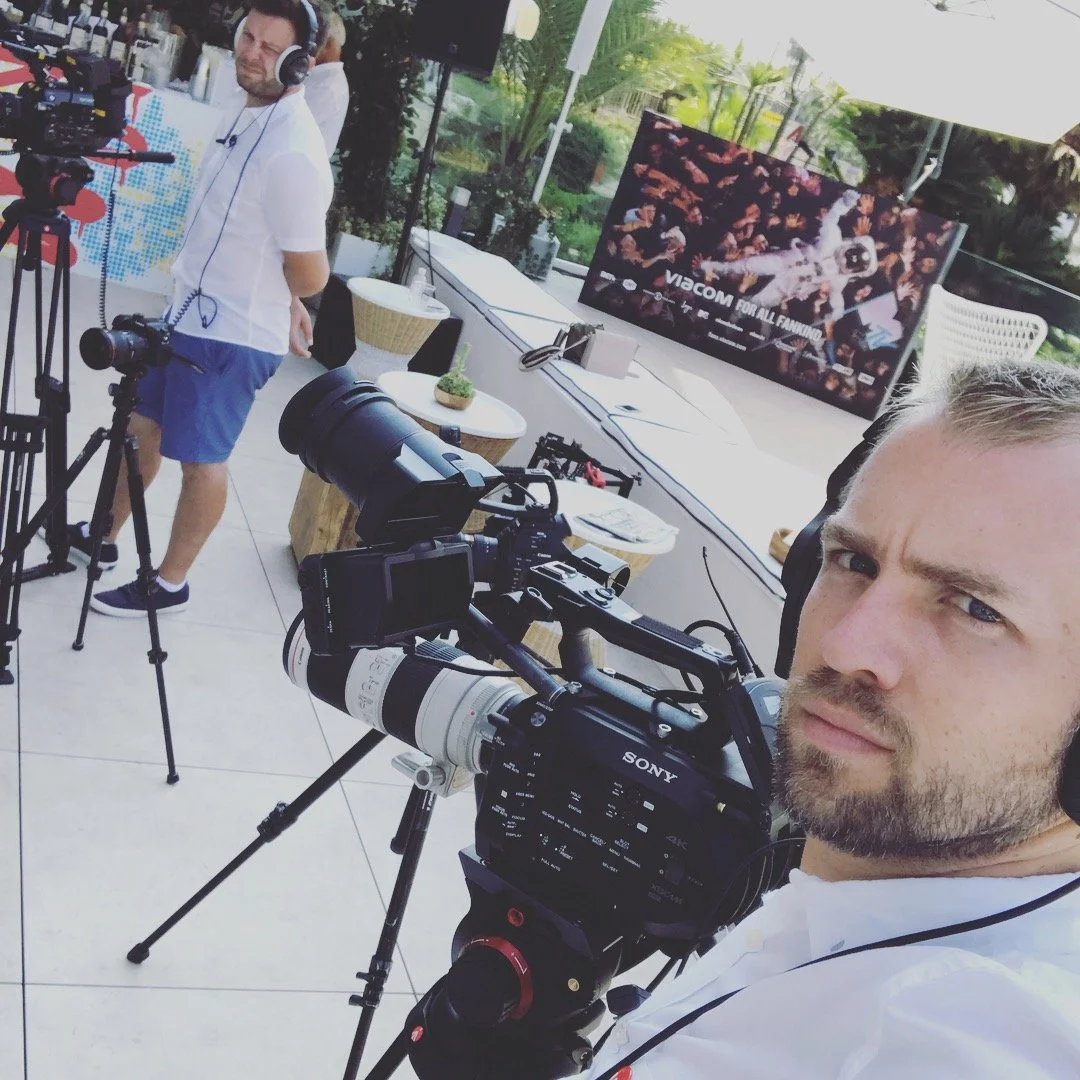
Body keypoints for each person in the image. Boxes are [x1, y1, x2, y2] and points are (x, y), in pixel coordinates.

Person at [588, 358, 1080, 1079]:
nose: (846, 645)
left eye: (976, 609)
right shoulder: (886, 880)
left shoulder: (969, 1032)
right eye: (854, 560)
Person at [70, 0, 333, 616]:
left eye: (271, 48)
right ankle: (103, 538)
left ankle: (169, 583)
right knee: (140, 430)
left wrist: (290, 295)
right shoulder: (240, 112)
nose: (251, 53)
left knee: (201, 462)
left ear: (300, 63)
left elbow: (311, 269)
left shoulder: (294, 149)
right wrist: (287, 294)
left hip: (234, 334)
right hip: (186, 313)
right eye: (249, 37)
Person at [303, 9, 349, 157]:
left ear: (328, 44)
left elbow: (289, 122)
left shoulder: (329, 86)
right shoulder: (323, 77)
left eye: (316, 38)